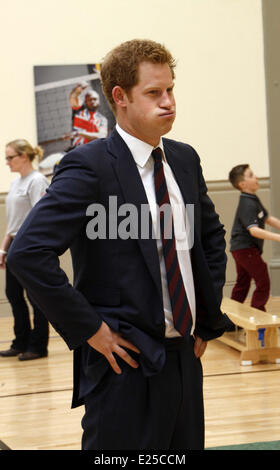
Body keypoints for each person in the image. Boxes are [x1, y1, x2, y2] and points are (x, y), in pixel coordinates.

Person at [7, 39, 228, 449]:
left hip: (184, 356)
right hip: (124, 361)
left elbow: (211, 238)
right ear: (120, 97)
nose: (169, 102)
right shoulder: (88, 165)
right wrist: (91, 330)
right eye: (154, 93)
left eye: (171, 89)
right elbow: (28, 253)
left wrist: (208, 317)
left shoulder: (184, 159)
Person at [0, 139, 49, 360]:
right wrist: (3, 250)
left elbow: (40, 218)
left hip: (31, 248)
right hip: (14, 248)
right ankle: (20, 342)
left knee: (35, 297)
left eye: (10, 157)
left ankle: (38, 346)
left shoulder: (37, 180)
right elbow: (12, 224)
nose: (7, 161)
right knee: (13, 294)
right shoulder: (14, 184)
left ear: (24, 156)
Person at [229, 164, 280, 312]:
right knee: (263, 279)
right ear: (242, 184)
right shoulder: (247, 203)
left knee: (242, 282)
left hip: (241, 249)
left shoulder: (252, 198)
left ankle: (231, 320)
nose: (256, 177)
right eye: (251, 175)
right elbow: (254, 231)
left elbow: (268, 218)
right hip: (245, 249)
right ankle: (259, 314)